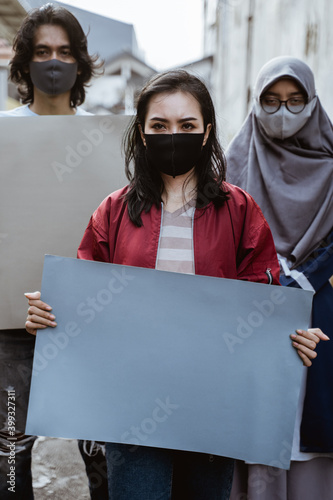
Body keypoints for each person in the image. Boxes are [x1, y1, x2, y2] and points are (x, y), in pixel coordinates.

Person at [24, 69, 328, 500]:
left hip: (214, 404)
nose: (174, 135)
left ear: (206, 133)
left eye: (187, 126)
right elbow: (84, 301)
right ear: (142, 134)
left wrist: (292, 335)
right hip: (130, 406)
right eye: (159, 126)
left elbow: (267, 303)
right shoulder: (112, 212)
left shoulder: (241, 211)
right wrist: (49, 315)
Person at [0, 4, 108, 499]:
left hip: (91, 326)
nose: (54, 61)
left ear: (81, 64)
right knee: (8, 455)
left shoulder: (109, 139)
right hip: (11, 329)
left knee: (103, 455)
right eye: (42, 51)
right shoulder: (2, 134)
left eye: (65, 51)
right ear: (23, 64)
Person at [226, 56, 333, 499]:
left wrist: (305, 279)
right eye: (270, 101)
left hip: (321, 318)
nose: (282, 112)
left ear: (312, 103)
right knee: (255, 434)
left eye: (294, 101)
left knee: (310, 439)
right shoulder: (233, 161)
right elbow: (222, 237)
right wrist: (272, 280)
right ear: (255, 103)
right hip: (252, 315)